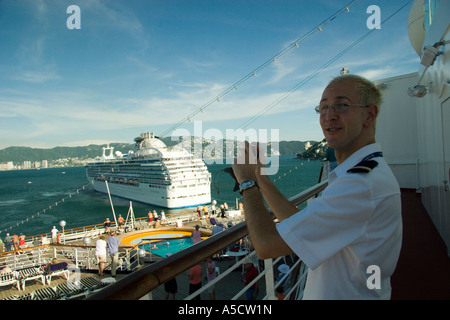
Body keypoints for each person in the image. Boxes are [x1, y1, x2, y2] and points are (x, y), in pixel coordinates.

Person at [231, 74, 402, 300]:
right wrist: (260, 176)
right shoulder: (363, 173)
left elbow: (265, 246)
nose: (329, 116)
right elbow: (298, 225)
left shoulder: (360, 184)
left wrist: (246, 182)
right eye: (323, 108)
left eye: (342, 105)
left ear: (369, 115)